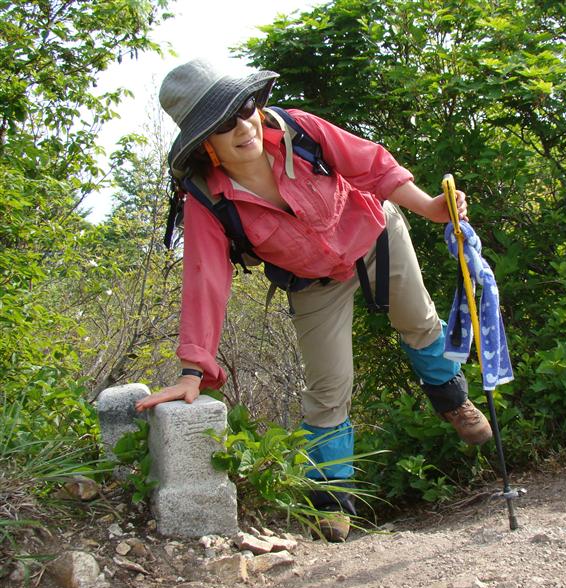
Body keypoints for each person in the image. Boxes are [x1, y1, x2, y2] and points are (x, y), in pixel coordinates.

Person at [135, 58, 492, 542]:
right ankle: (332, 499)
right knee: (328, 388)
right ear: (205, 143)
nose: (243, 126)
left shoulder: (299, 130)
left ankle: (454, 403)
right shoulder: (207, 198)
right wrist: (192, 370)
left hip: (374, 233)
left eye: (244, 108)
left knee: (420, 322)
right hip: (312, 280)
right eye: (223, 123)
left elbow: (372, 164)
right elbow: (205, 280)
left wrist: (430, 206)